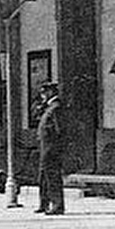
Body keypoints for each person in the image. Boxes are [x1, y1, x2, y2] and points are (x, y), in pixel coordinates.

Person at [35, 81, 66, 215]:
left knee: (52, 176)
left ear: (50, 92)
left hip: (51, 148)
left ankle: (57, 205)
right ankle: (44, 203)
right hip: (45, 147)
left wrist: (56, 148)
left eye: (44, 93)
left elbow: (59, 130)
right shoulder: (48, 107)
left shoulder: (56, 108)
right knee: (43, 176)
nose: (42, 96)